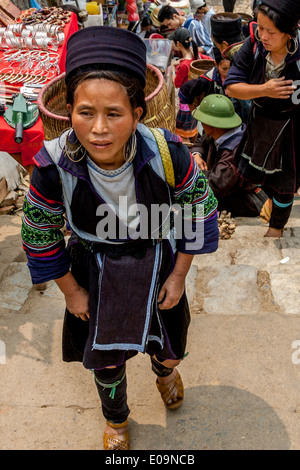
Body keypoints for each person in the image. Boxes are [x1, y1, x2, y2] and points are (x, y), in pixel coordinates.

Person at [21, 26, 219, 450]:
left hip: (158, 262)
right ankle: (116, 420)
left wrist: (180, 275)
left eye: (114, 113)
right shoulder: (52, 166)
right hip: (93, 268)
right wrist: (73, 293)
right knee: (107, 362)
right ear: (68, 110)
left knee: (169, 345)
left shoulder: (168, 152)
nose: (98, 129)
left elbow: (196, 211)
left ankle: (165, 372)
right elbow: (39, 235)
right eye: (85, 112)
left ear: (137, 114)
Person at [225, 0, 300, 237]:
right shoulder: (254, 45)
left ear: (289, 33)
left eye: (271, 31)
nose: (263, 35)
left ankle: (276, 228)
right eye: (260, 27)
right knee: (262, 174)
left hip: (291, 125)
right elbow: (232, 87)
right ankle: (267, 205)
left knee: (285, 183)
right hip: (261, 122)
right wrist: (265, 89)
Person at [191, 94, 268, 216]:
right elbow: (200, 142)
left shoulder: (234, 151)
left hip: (249, 200)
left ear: (211, 125)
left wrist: (191, 173)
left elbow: (217, 185)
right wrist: (196, 155)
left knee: (192, 202)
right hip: (229, 190)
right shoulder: (217, 133)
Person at [170, 27, 203, 142]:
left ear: (178, 44)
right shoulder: (195, 56)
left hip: (185, 104)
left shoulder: (183, 66)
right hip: (193, 100)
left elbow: (176, 84)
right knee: (193, 128)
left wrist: (173, 68)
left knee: (183, 133)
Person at [178, 47, 230, 112]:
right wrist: (193, 112)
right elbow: (185, 89)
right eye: (224, 69)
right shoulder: (206, 80)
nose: (228, 72)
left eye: (231, 68)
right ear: (216, 64)